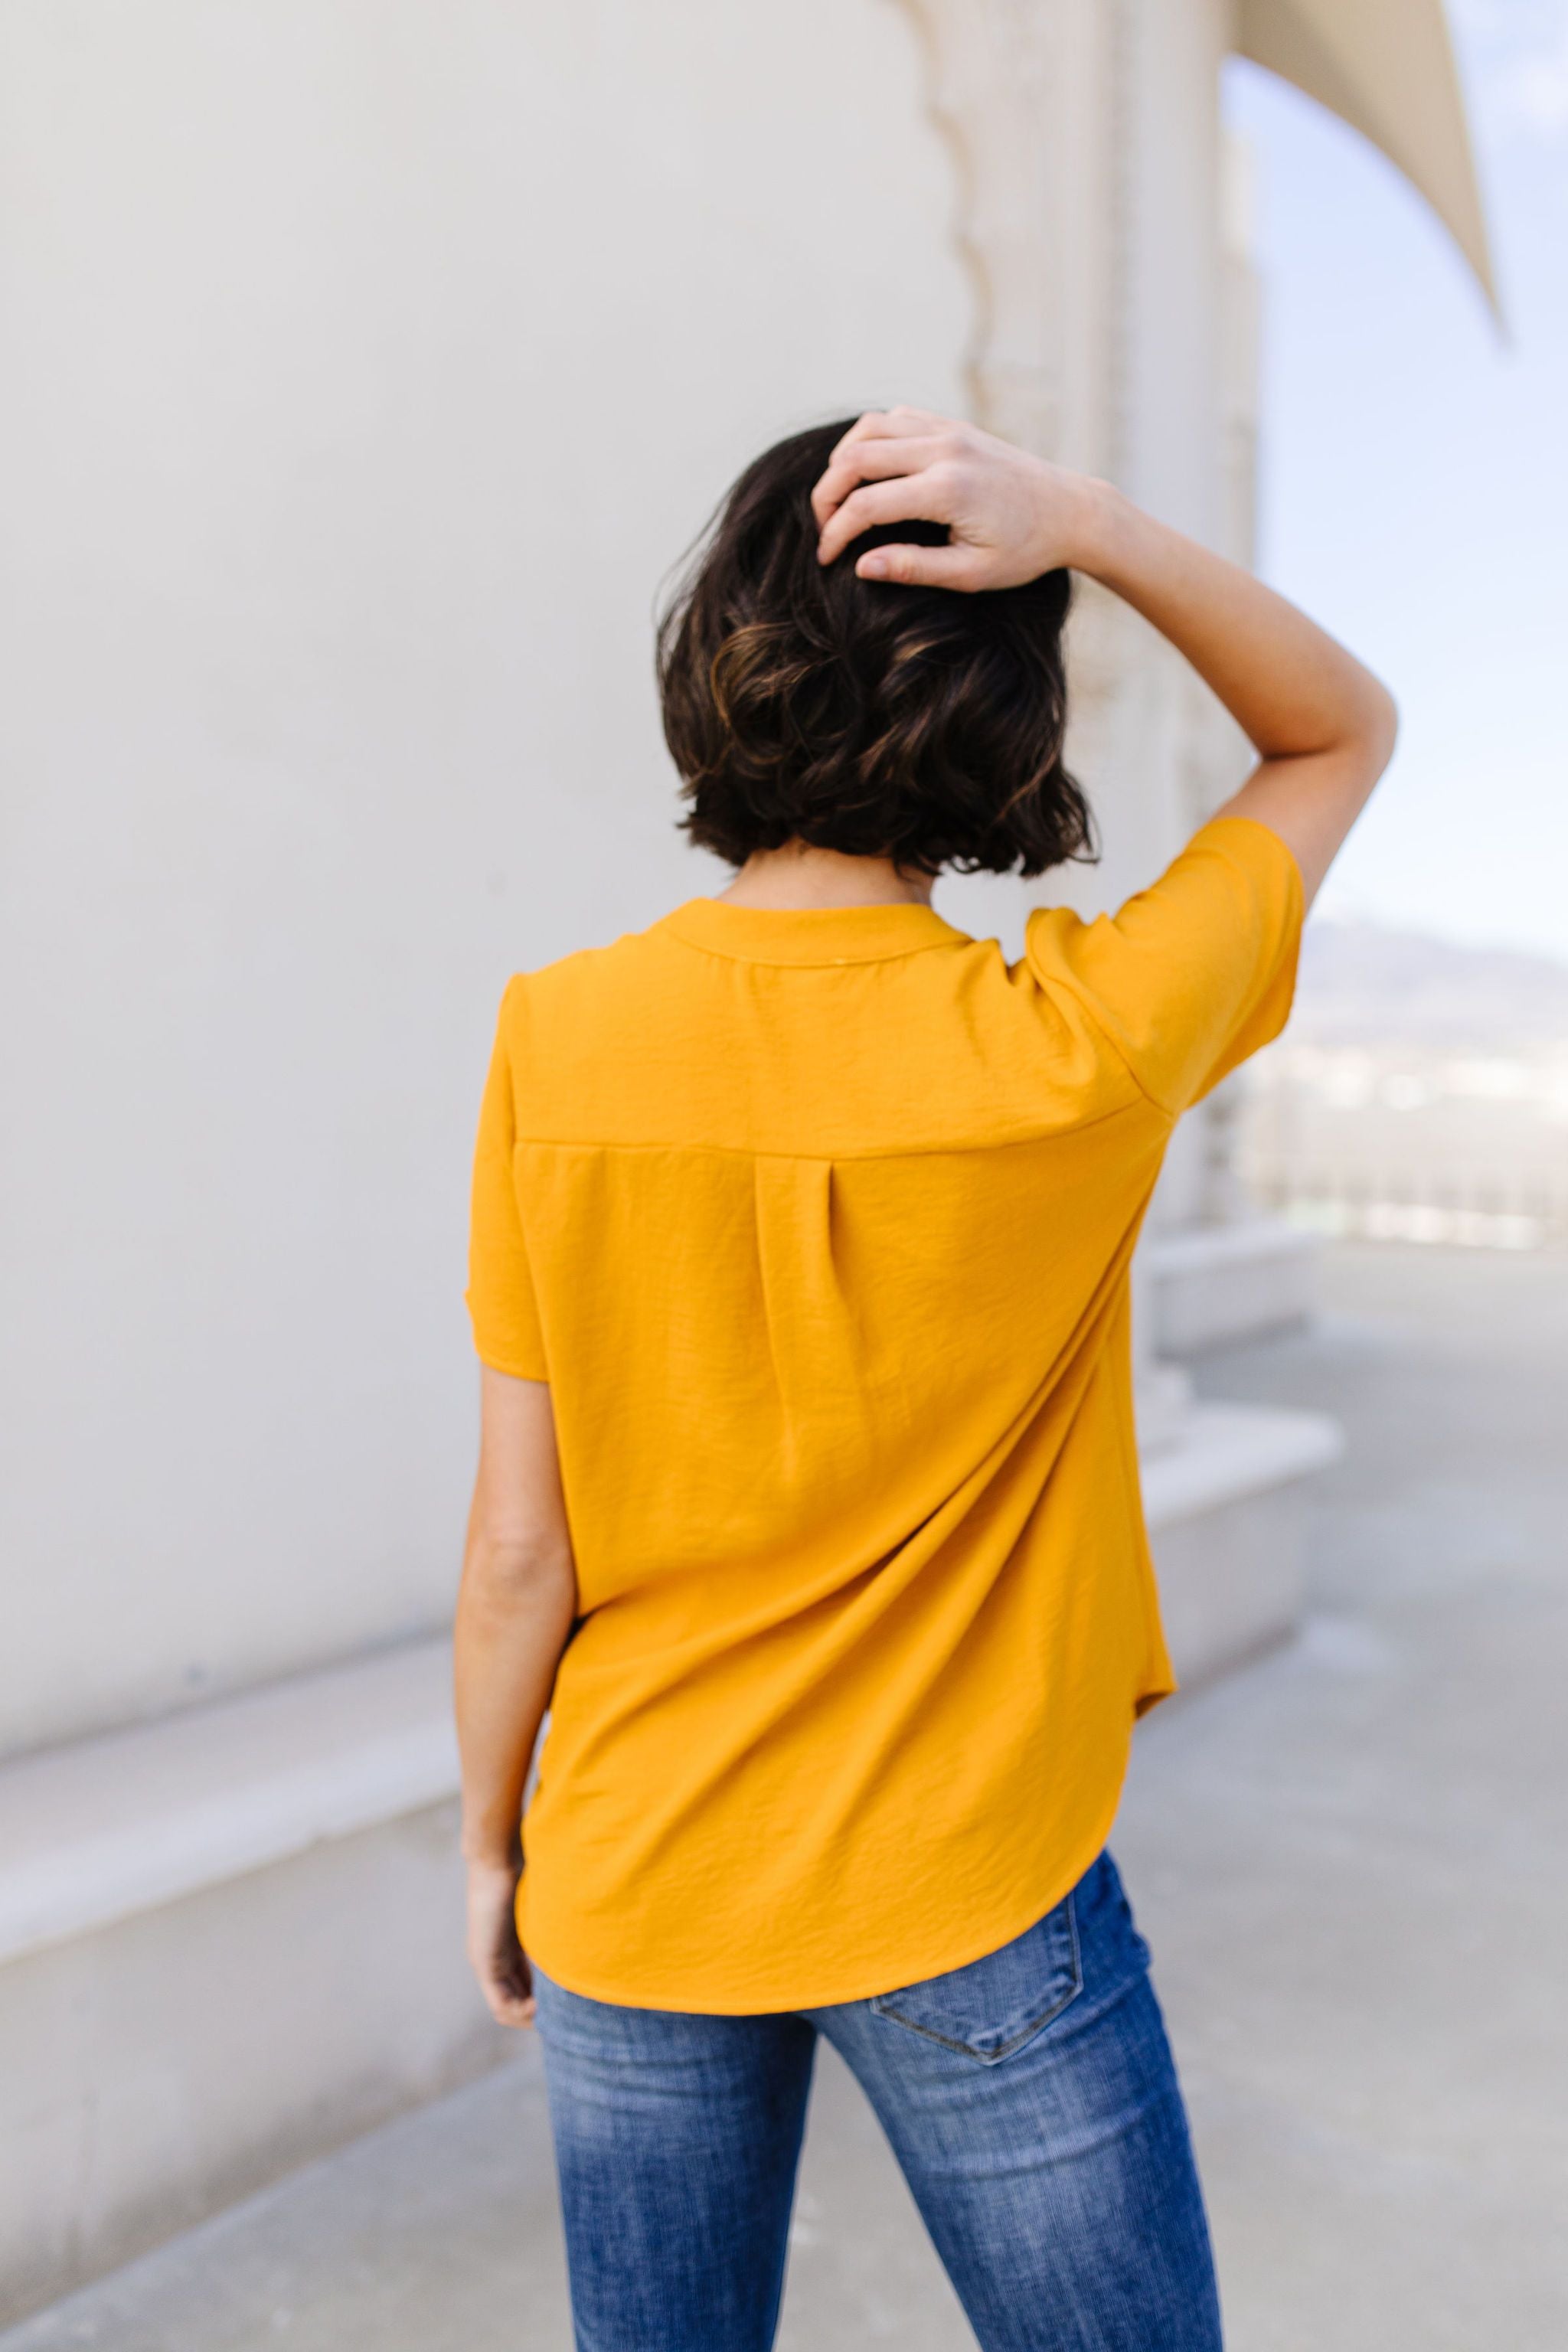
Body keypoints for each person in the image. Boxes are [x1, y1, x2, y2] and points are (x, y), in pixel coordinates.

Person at [454, 407, 1396, 2352]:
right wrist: (1090, 524)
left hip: (632, 1863)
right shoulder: (1083, 1046)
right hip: (970, 1886)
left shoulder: (558, 1042)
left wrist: (493, 1838)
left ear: (715, 659)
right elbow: (1335, 731)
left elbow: (515, 1550)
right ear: (1002, 706)